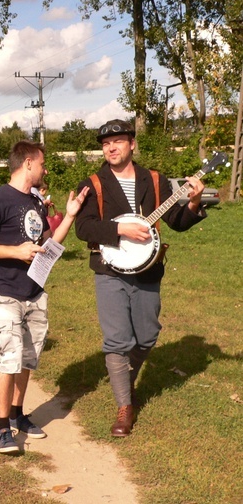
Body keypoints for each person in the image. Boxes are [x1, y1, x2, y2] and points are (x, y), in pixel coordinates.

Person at [74, 119, 207, 437]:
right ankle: (124, 407)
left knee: (146, 336)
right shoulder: (94, 183)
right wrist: (120, 229)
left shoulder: (155, 179)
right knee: (118, 340)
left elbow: (175, 220)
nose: (111, 148)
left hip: (148, 268)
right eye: (106, 144)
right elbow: (84, 227)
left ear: (132, 144)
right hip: (109, 269)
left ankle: (122, 378)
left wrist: (193, 202)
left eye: (118, 141)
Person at [0, 140, 88, 453]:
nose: (45, 169)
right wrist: (14, 252)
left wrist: (70, 216)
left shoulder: (34, 201)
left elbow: (48, 245)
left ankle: (19, 414)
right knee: (8, 357)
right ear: (29, 163)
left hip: (34, 291)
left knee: (27, 358)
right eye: (43, 163)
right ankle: (1, 426)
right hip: (3, 290)